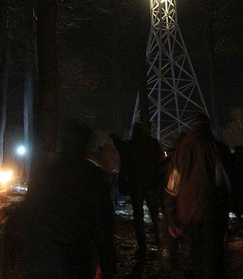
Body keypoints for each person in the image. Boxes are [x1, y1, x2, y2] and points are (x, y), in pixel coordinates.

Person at [21, 118, 116, 278]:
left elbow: (29, 210)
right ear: (86, 144)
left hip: (42, 257)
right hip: (74, 259)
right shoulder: (93, 176)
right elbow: (103, 225)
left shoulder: (46, 171)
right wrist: (108, 264)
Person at [162, 114, 231, 278]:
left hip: (186, 216)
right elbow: (224, 185)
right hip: (211, 215)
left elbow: (172, 188)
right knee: (211, 263)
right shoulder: (216, 149)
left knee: (192, 260)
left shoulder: (181, 151)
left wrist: (171, 220)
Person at [123, 121, 165, 261]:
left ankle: (142, 245)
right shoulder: (153, 144)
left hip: (136, 184)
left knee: (138, 215)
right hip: (151, 183)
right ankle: (158, 240)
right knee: (154, 213)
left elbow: (125, 165)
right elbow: (161, 162)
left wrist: (123, 181)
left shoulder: (131, 145)